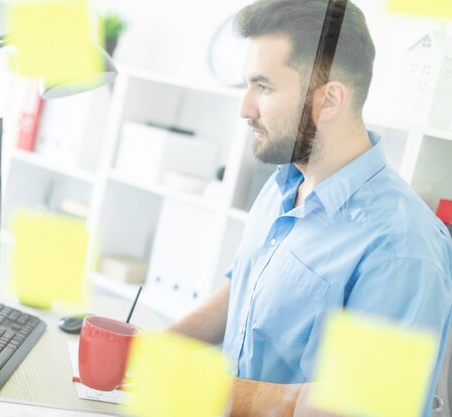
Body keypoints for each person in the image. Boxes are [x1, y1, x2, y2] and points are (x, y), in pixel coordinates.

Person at [168, 0, 452, 416]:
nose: (245, 108)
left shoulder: (402, 247)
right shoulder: (283, 184)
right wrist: (153, 347)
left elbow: (364, 405)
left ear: (329, 100)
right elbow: (247, 291)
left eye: (263, 87)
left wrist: (214, 392)